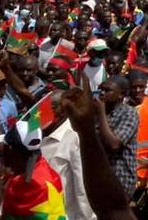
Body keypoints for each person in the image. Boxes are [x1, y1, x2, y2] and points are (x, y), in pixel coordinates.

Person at [40, 90, 95, 220]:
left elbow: (82, 186)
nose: (43, 113)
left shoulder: (74, 137)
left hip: (65, 214)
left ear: (64, 110)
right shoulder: (38, 135)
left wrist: (85, 217)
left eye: (51, 108)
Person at [96, 75, 139, 197]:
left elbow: (114, 144)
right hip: (99, 177)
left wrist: (101, 114)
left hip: (120, 180)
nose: (102, 93)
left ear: (120, 95)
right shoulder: (99, 113)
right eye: (101, 89)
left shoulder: (129, 113)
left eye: (107, 90)